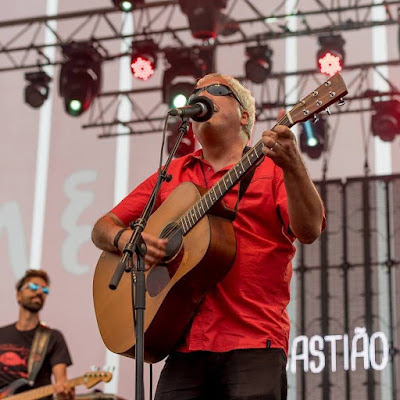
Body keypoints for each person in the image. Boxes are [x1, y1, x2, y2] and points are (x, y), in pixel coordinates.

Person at [91, 73, 325, 400]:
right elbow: (103, 227)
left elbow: (310, 229)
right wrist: (129, 241)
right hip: (184, 345)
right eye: (195, 93)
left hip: (253, 340)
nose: (199, 96)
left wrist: (294, 165)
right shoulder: (172, 173)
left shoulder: (272, 168)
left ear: (244, 115)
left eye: (216, 90)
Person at [0, 269, 74, 400]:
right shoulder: (2, 334)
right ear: (19, 295)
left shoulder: (53, 337)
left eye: (44, 290)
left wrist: (65, 394)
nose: (39, 292)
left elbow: (61, 382)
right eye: (33, 287)